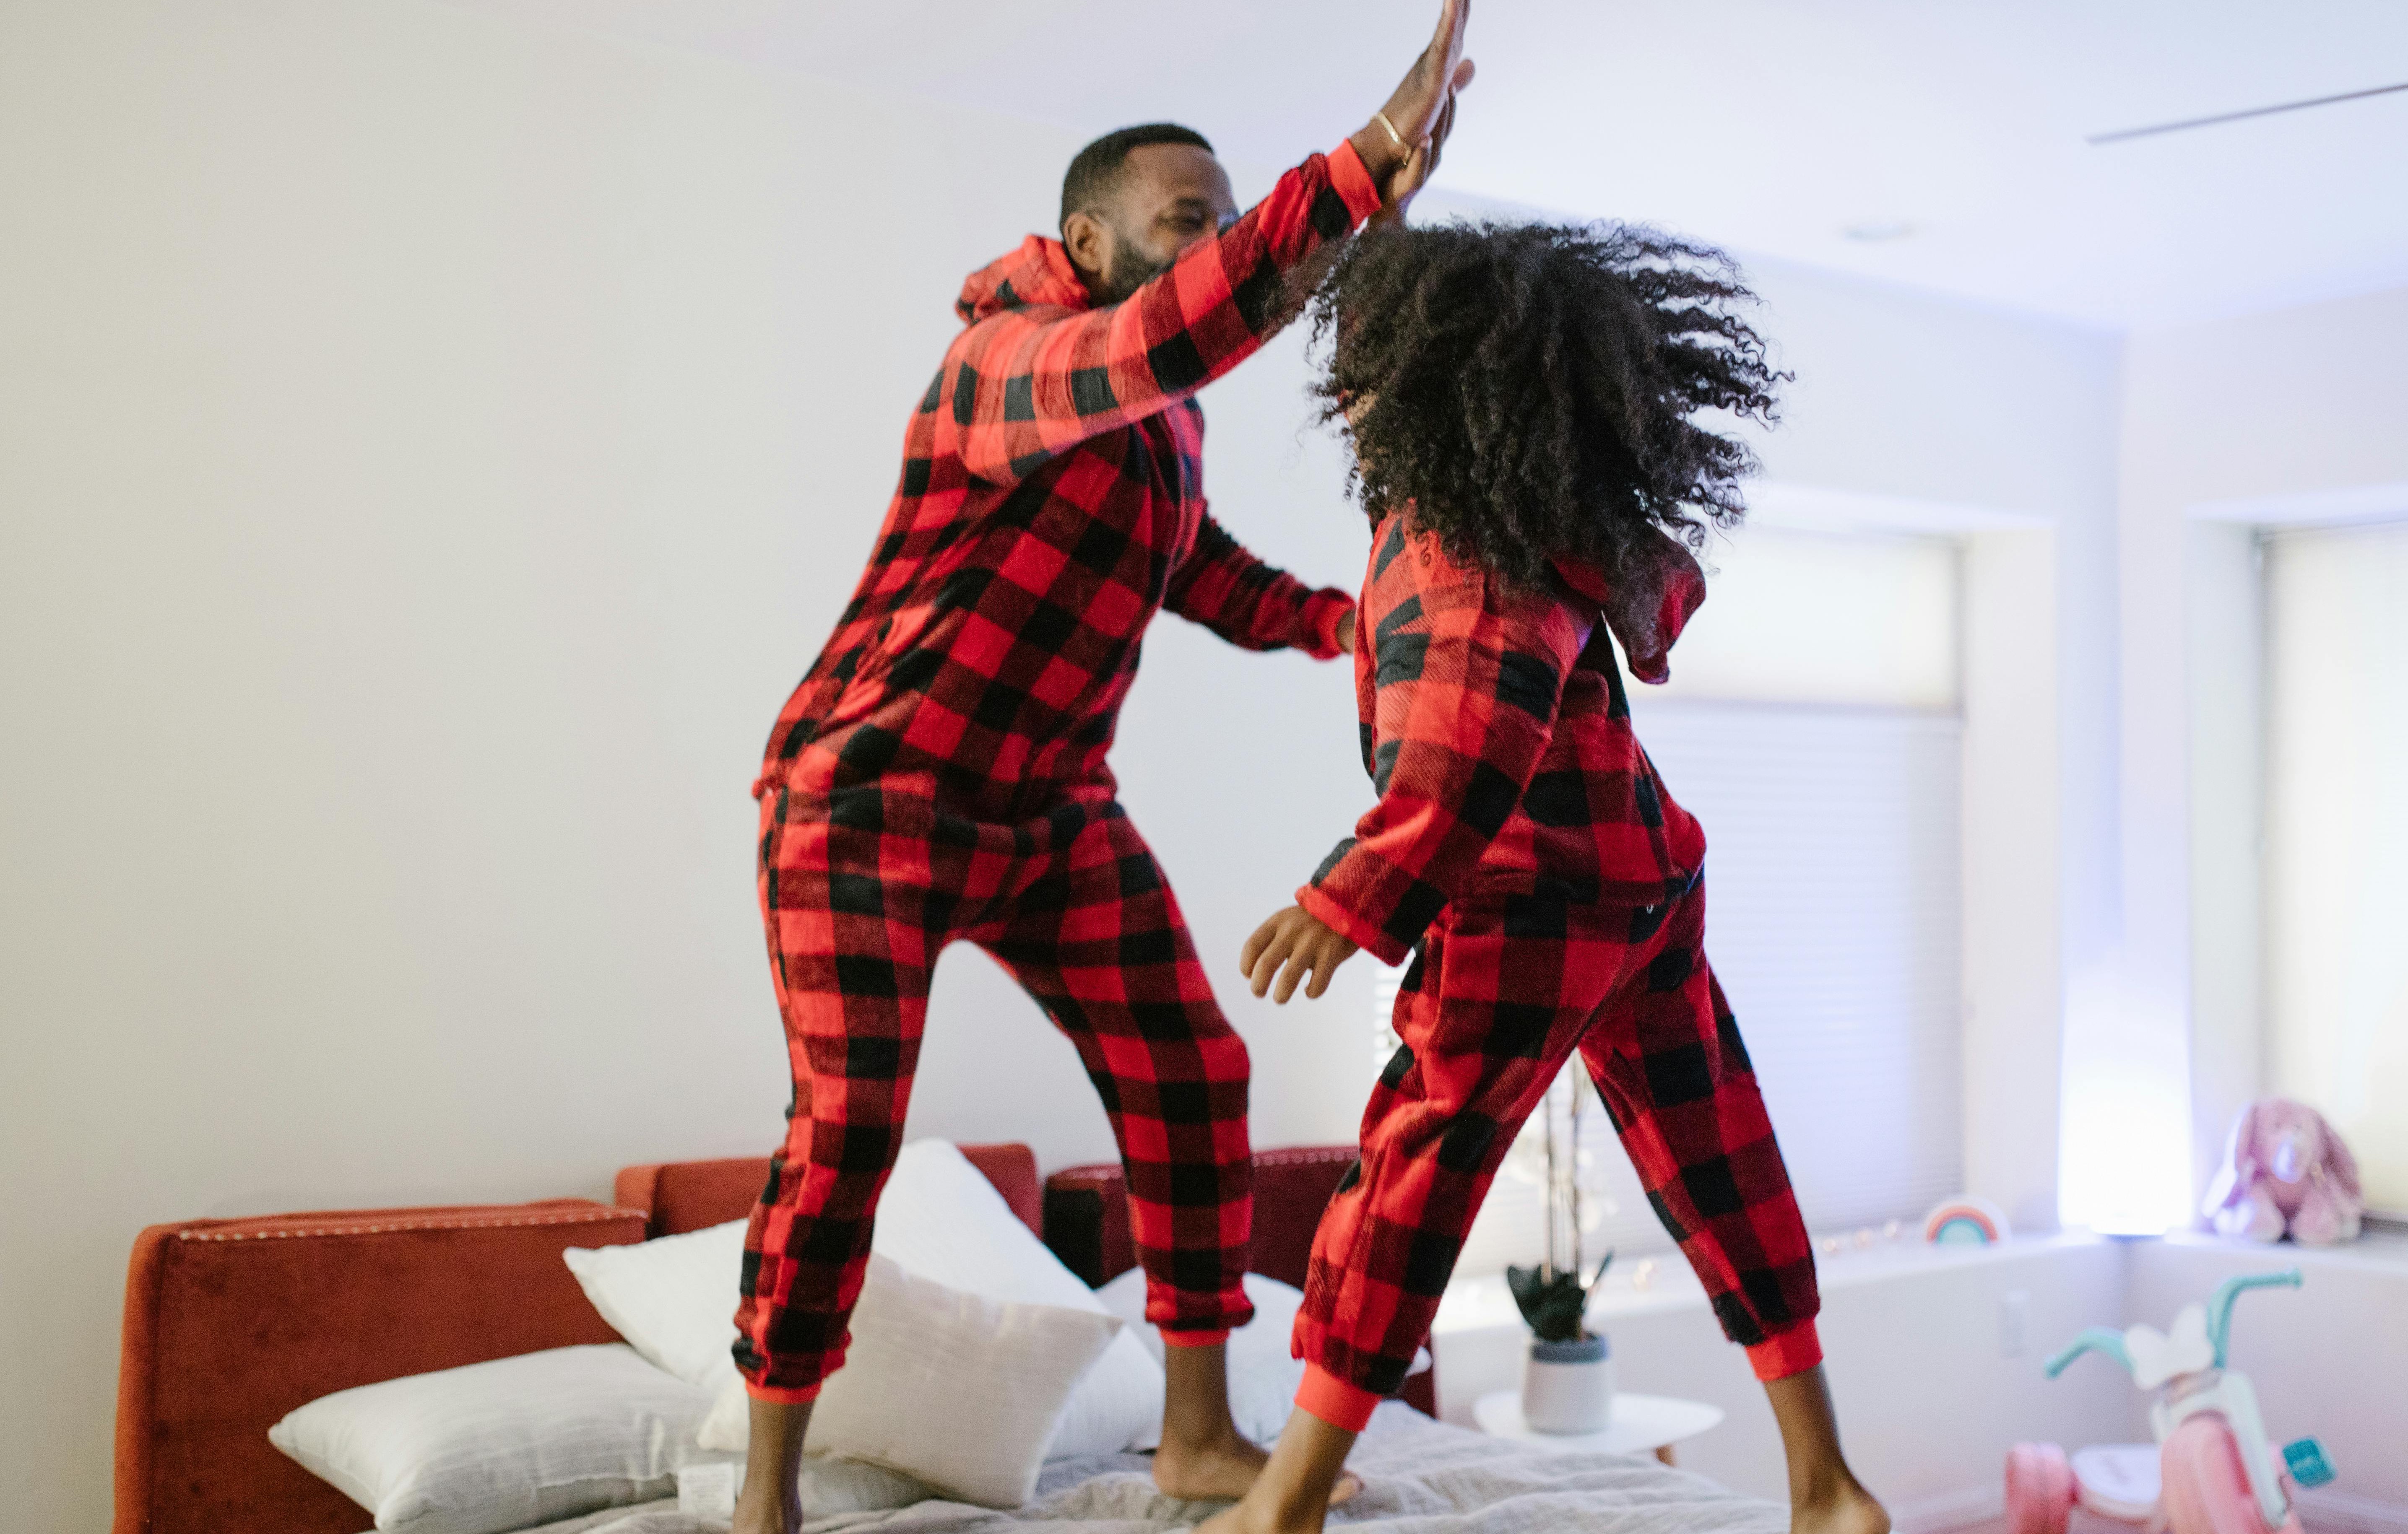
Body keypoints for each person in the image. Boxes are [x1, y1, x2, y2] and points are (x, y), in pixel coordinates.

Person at [728, 5, 1477, 1529]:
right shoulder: (1008, 365)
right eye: (1181, 219)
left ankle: (1196, 1436)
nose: (1207, 240)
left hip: (1048, 809)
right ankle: (766, 1490)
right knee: (852, 1123)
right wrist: (1355, 166)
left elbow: (1199, 569)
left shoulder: (1160, 426)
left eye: (1222, 214)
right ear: (1090, 234)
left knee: (1197, 1073)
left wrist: (1363, 625)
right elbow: (1164, 332)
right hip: (866, 798)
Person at [1222, 223, 1893, 1534]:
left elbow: (1474, 729)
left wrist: (1345, 896)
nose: (1345, 404)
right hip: (1642, 875)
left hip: (1529, 893)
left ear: (1420, 390)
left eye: (1362, 379)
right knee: (1718, 1154)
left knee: (1413, 1167)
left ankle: (1285, 1501)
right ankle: (1826, 1481)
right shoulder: (1535, 515)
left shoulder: (1454, 542)